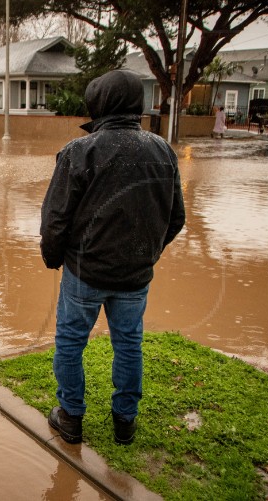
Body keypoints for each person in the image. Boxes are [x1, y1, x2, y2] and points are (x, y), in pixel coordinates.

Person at [40, 69, 185, 445]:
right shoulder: (163, 150)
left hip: (84, 273)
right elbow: (176, 218)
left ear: (99, 105)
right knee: (128, 344)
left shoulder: (79, 151)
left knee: (70, 344)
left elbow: (55, 218)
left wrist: (54, 258)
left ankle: (70, 417)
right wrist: (147, 255)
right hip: (135, 277)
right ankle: (125, 422)